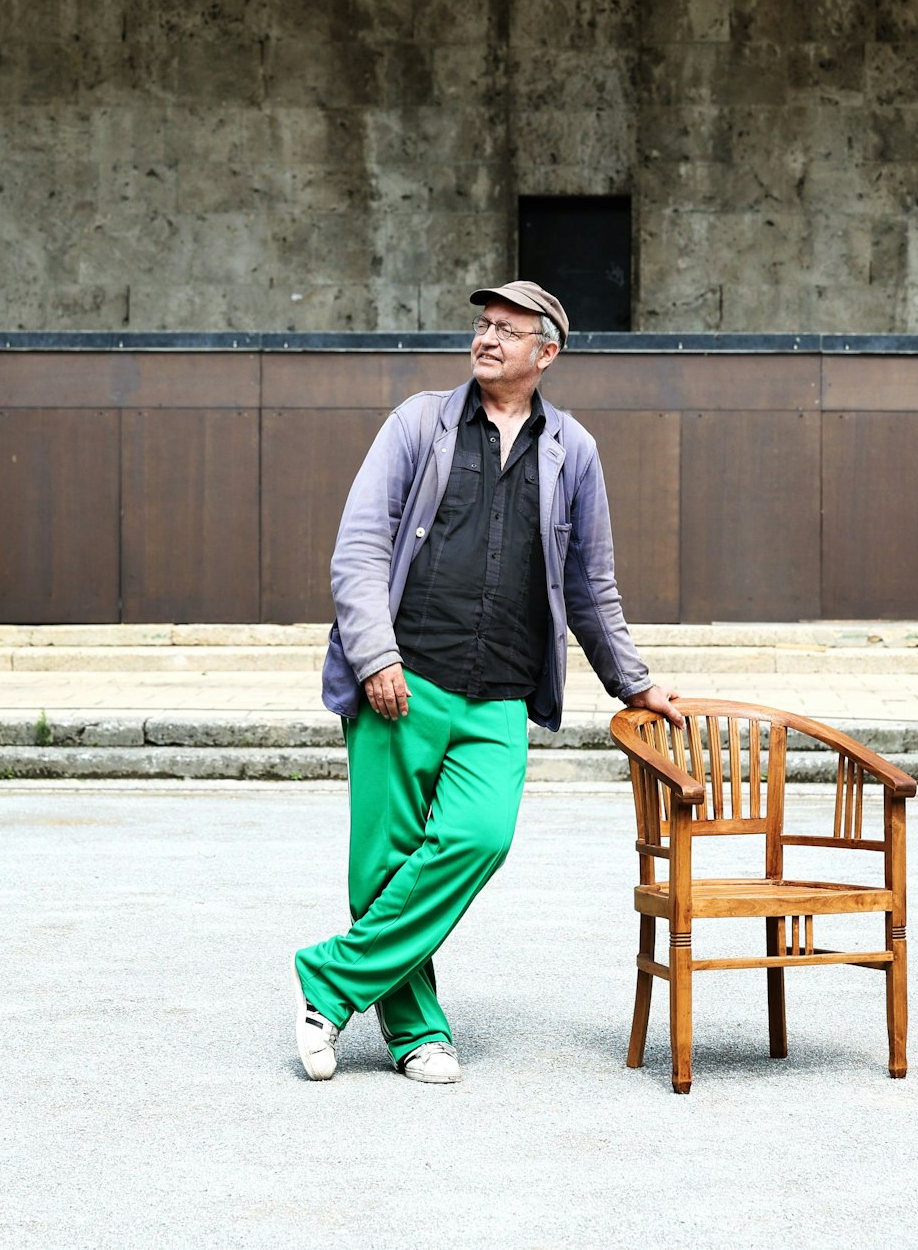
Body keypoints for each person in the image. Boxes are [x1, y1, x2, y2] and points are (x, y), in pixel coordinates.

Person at [292, 280, 684, 1084]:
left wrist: (632, 682)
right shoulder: (418, 423)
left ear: (547, 353)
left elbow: (590, 585)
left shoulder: (572, 450)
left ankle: (330, 977)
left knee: (479, 836)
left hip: (500, 691)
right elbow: (359, 547)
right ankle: (418, 1033)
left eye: (508, 330)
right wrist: (375, 657)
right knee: (384, 860)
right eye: (483, 323)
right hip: (403, 678)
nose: (487, 338)